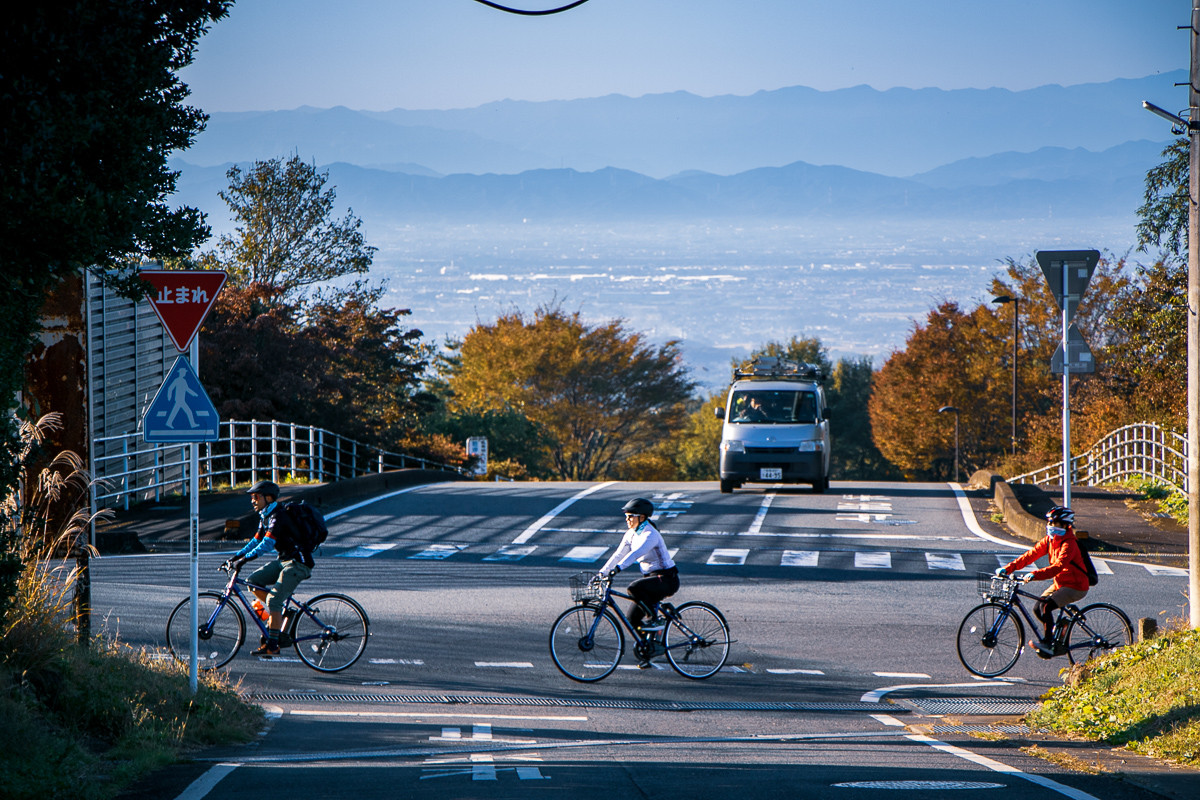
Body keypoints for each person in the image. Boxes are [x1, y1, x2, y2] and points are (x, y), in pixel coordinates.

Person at [221, 479, 313, 656]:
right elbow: (255, 541)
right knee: (252, 581)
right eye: (252, 497)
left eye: (256, 496)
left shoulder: (278, 516)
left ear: (268, 498)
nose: (252, 500)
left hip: (298, 563)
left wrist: (244, 560)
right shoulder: (265, 516)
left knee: (273, 601)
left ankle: (273, 645)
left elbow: (267, 544)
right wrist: (235, 557)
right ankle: (280, 614)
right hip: (284, 560)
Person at [996, 506, 1089, 657]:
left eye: (1054, 524)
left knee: (1046, 607)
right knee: (1037, 608)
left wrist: (1034, 574)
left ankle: (1048, 643)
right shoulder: (1050, 541)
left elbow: (1057, 567)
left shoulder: (1069, 544)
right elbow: (1030, 556)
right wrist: (1008, 568)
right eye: (1049, 523)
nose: (1050, 527)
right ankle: (1057, 632)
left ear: (1065, 525)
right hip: (1060, 583)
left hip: (1076, 586)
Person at [597, 497, 679, 667]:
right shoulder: (631, 533)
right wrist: (602, 573)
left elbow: (635, 554)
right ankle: (650, 649)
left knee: (634, 588)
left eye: (630, 516)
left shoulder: (650, 534)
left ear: (642, 517)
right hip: (651, 579)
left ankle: (654, 618)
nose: (627, 519)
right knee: (632, 618)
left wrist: (617, 569)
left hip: (666, 578)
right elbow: (618, 555)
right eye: (626, 516)